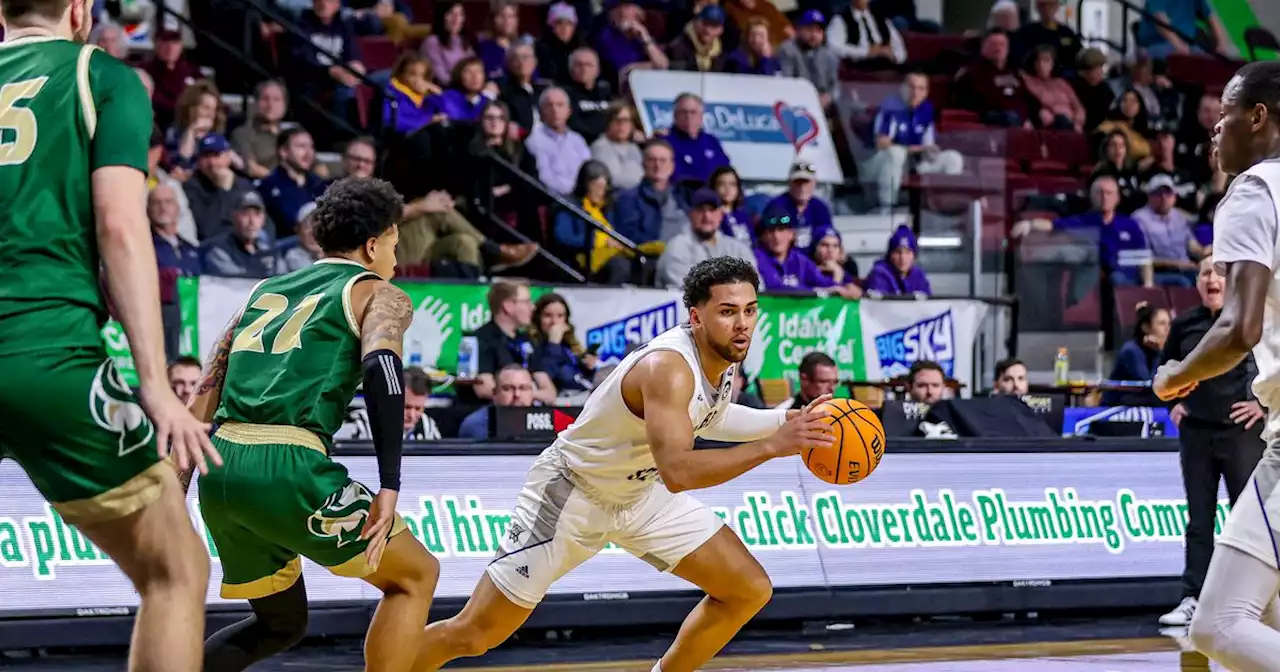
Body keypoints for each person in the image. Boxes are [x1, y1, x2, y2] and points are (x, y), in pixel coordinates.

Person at [413, 256, 836, 670]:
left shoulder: (721, 355)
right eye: (727, 312)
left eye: (749, 310)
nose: (742, 323)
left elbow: (714, 416)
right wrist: (773, 445)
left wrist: (786, 419)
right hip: (573, 495)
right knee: (475, 633)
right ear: (697, 316)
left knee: (747, 588)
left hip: (639, 494)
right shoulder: (668, 368)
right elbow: (680, 472)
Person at [0, 5, 220, 670]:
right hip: (46, 352)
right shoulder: (102, 76)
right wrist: (155, 383)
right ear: (79, 11)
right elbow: (121, 228)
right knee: (176, 568)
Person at [190, 177, 440, 671]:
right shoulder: (379, 293)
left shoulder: (262, 291)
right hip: (288, 463)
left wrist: (176, 488)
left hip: (218, 468)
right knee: (416, 576)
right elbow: (383, 371)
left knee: (281, 623)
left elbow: (206, 387)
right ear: (373, 243)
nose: (395, 255)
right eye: (394, 242)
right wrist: (390, 484)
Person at [1151, 60, 1280, 672]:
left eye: (1224, 115)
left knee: (1218, 627)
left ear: (1258, 117)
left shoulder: (1256, 190)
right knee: (1268, 619)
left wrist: (1175, 375)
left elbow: (1238, 327)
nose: (1215, 131)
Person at [1157, 256, 1265, 628]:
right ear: (1197, 283)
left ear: (1232, 280)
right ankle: (1194, 598)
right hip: (1197, 433)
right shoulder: (1184, 324)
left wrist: (1262, 405)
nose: (1210, 278)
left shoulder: (1250, 321)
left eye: (1218, 271)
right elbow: (1164, 369)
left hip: (1242, 434)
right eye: (1204, 273)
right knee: (1199, 520)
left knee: (1247, 519)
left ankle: (1252, 602)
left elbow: (1275, 368)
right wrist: (1175, 400)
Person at [1103, 303, 1169, 404]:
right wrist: (1158, 353)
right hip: (1116, 410)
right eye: (1162, 323)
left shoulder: (1164, 349)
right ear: (1146, 328)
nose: (1167, 328)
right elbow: (1148, 385)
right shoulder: (1131, 351)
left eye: (1169, 323)